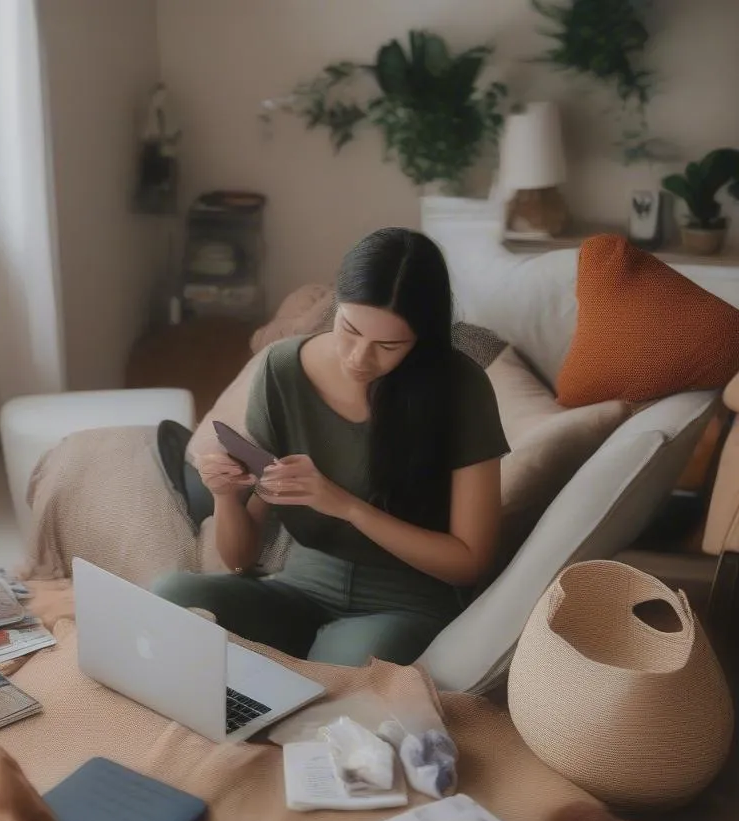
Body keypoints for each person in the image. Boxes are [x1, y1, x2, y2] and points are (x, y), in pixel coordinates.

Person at [153, 227, 509, 667]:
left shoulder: (460, 388)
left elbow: (469, 562)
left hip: (404, 605)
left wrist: (347, 506)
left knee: (337, 670)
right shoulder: (282, 368)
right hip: (298, 589)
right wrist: (227, 496)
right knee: (170, 597)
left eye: (388, 345)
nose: (360, 357)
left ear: (423, 339)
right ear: (336, 306)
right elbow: (241, 559)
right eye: (350, 329)